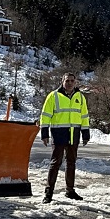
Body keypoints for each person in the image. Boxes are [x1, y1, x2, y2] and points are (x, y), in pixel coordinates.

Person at [39, 72, 91, 203]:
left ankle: (70, 190)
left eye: (72, 81)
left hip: (74, 134)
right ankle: (49, 192)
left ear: (75, 82)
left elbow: (84, 116)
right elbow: (45, 115)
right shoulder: (53, 96)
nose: (69, 83)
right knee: (55, 163)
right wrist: (44, 133)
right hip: (59, 134)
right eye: (67, 80)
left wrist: (85, 133)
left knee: (71, 163)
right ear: (62, 81)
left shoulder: (80, 97)